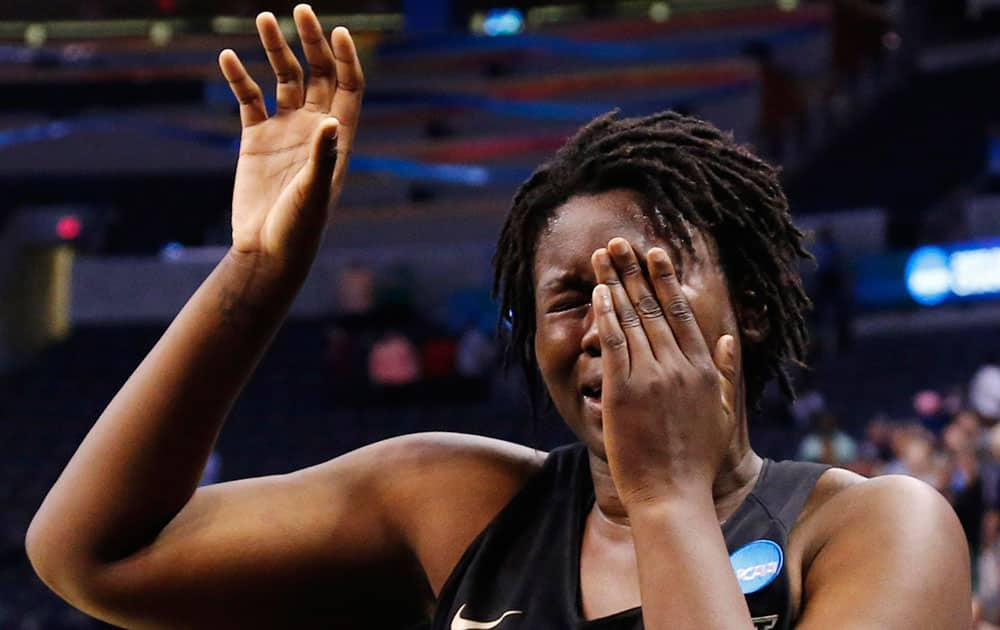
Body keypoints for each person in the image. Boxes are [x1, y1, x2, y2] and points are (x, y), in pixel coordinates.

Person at [25, 6, 970, 629]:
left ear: (751, 309)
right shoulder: (455, 504)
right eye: (566, 297)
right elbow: (91, 556)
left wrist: (669, 497)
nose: (606, 320)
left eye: (646, 277)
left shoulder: (873, 532)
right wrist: (257, 273)